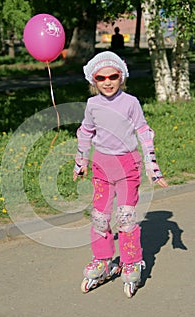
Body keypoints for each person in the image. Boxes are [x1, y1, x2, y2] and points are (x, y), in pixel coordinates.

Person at [73, 51, 168, 297]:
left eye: (113, 76)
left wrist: (153, 168)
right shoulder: (92, 104)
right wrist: (80, 161)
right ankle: (103, 259)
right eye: (101, 77)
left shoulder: (130, 102)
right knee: (100, 218)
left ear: (121, 76)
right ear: (93, 80)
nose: (107, 81)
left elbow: (144, 132)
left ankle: (131, 261)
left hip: (128, 167)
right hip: (101, 167)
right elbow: (85, 133)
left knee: (125, 219)